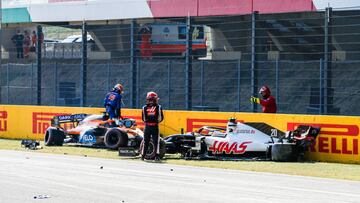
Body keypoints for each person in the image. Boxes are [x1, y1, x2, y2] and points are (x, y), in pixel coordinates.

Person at [141, 91, 164, 161]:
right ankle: (156, 156)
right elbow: (161, 118)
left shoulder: (144, 107)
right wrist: (155, 121)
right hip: (155, 127)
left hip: (147, 127)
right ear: (154, 99)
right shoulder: (159, 107)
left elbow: (143, 119)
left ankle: (143, 156)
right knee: (156, 142)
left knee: (145, 141)